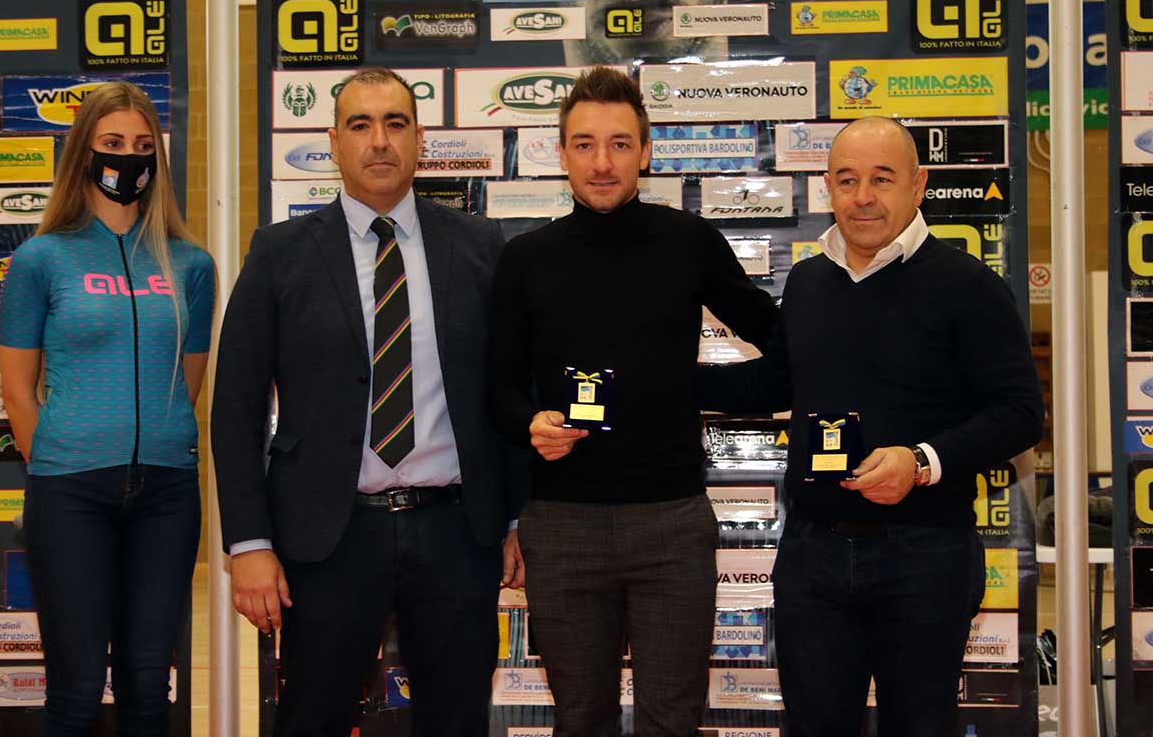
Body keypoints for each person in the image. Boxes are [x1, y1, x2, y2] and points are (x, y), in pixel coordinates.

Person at [697, 116, 1044, 737]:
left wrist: (921, 461)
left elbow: (1020, 413)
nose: (863, 197)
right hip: (813, 552)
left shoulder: (968, 285)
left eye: (882, 179)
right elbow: (774, 385)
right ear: (828, 187)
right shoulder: (809, 281)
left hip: (925, 553)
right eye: (847, 180)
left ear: (918, 184)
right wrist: (663, 380)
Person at [211, 67, 521, 737]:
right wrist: (249, 543)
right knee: (312, 720)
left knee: (457, 722)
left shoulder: (478, 245)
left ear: (419, 140)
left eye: (395, 123)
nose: (379, 141)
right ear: (334, 142)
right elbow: (236, 407)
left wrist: (518, 517)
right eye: (361, 125)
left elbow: (511, 388)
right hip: (328, 537)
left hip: (456, 532)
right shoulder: (280, 252)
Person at [491, 66, 779, 737]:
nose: (602, 162)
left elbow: (780, 342)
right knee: (580, 720)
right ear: (561, 154)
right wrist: (530, 422)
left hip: (671, 524)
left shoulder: (689, 242)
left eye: (619, 143)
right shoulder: (526, 258)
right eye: (585, 144)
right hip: (561, 527)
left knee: (671, 722)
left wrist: (692, 387)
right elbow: (497, 388)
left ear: (645, 152)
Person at [0, 81, 215, 736]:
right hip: (70, 493)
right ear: (83, 154)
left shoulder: (191, 265)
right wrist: (60, 460)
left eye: (144, 146)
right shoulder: (40, 259)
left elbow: (187, 380)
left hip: (167, 493)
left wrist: (154, 441)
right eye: (113, 142)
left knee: (149, 685)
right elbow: (17, 388)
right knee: (77, 688)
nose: (129, 157)